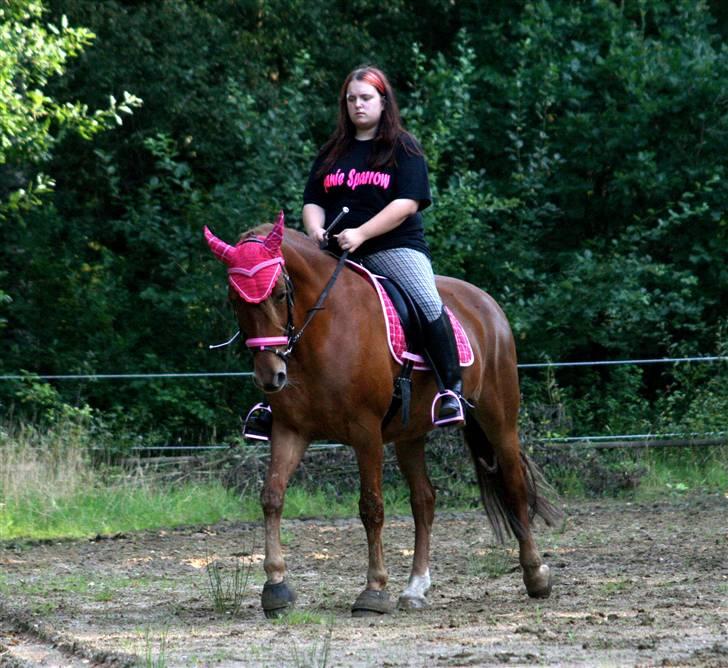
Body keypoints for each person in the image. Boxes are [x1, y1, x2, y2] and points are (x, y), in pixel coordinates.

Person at [302, 65, 463, 425]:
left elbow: (407, 204)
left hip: (393, 248)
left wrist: (361, 234)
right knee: (285, 301)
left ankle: (451, 391)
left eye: (366, 98)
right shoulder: (332, 151)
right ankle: (277, 403)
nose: (358, 105)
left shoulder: (402, 147)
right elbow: (312, 200)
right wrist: (315, 229)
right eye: (351, 99)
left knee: (426, 299)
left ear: (383, 101)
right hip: (335, 251)